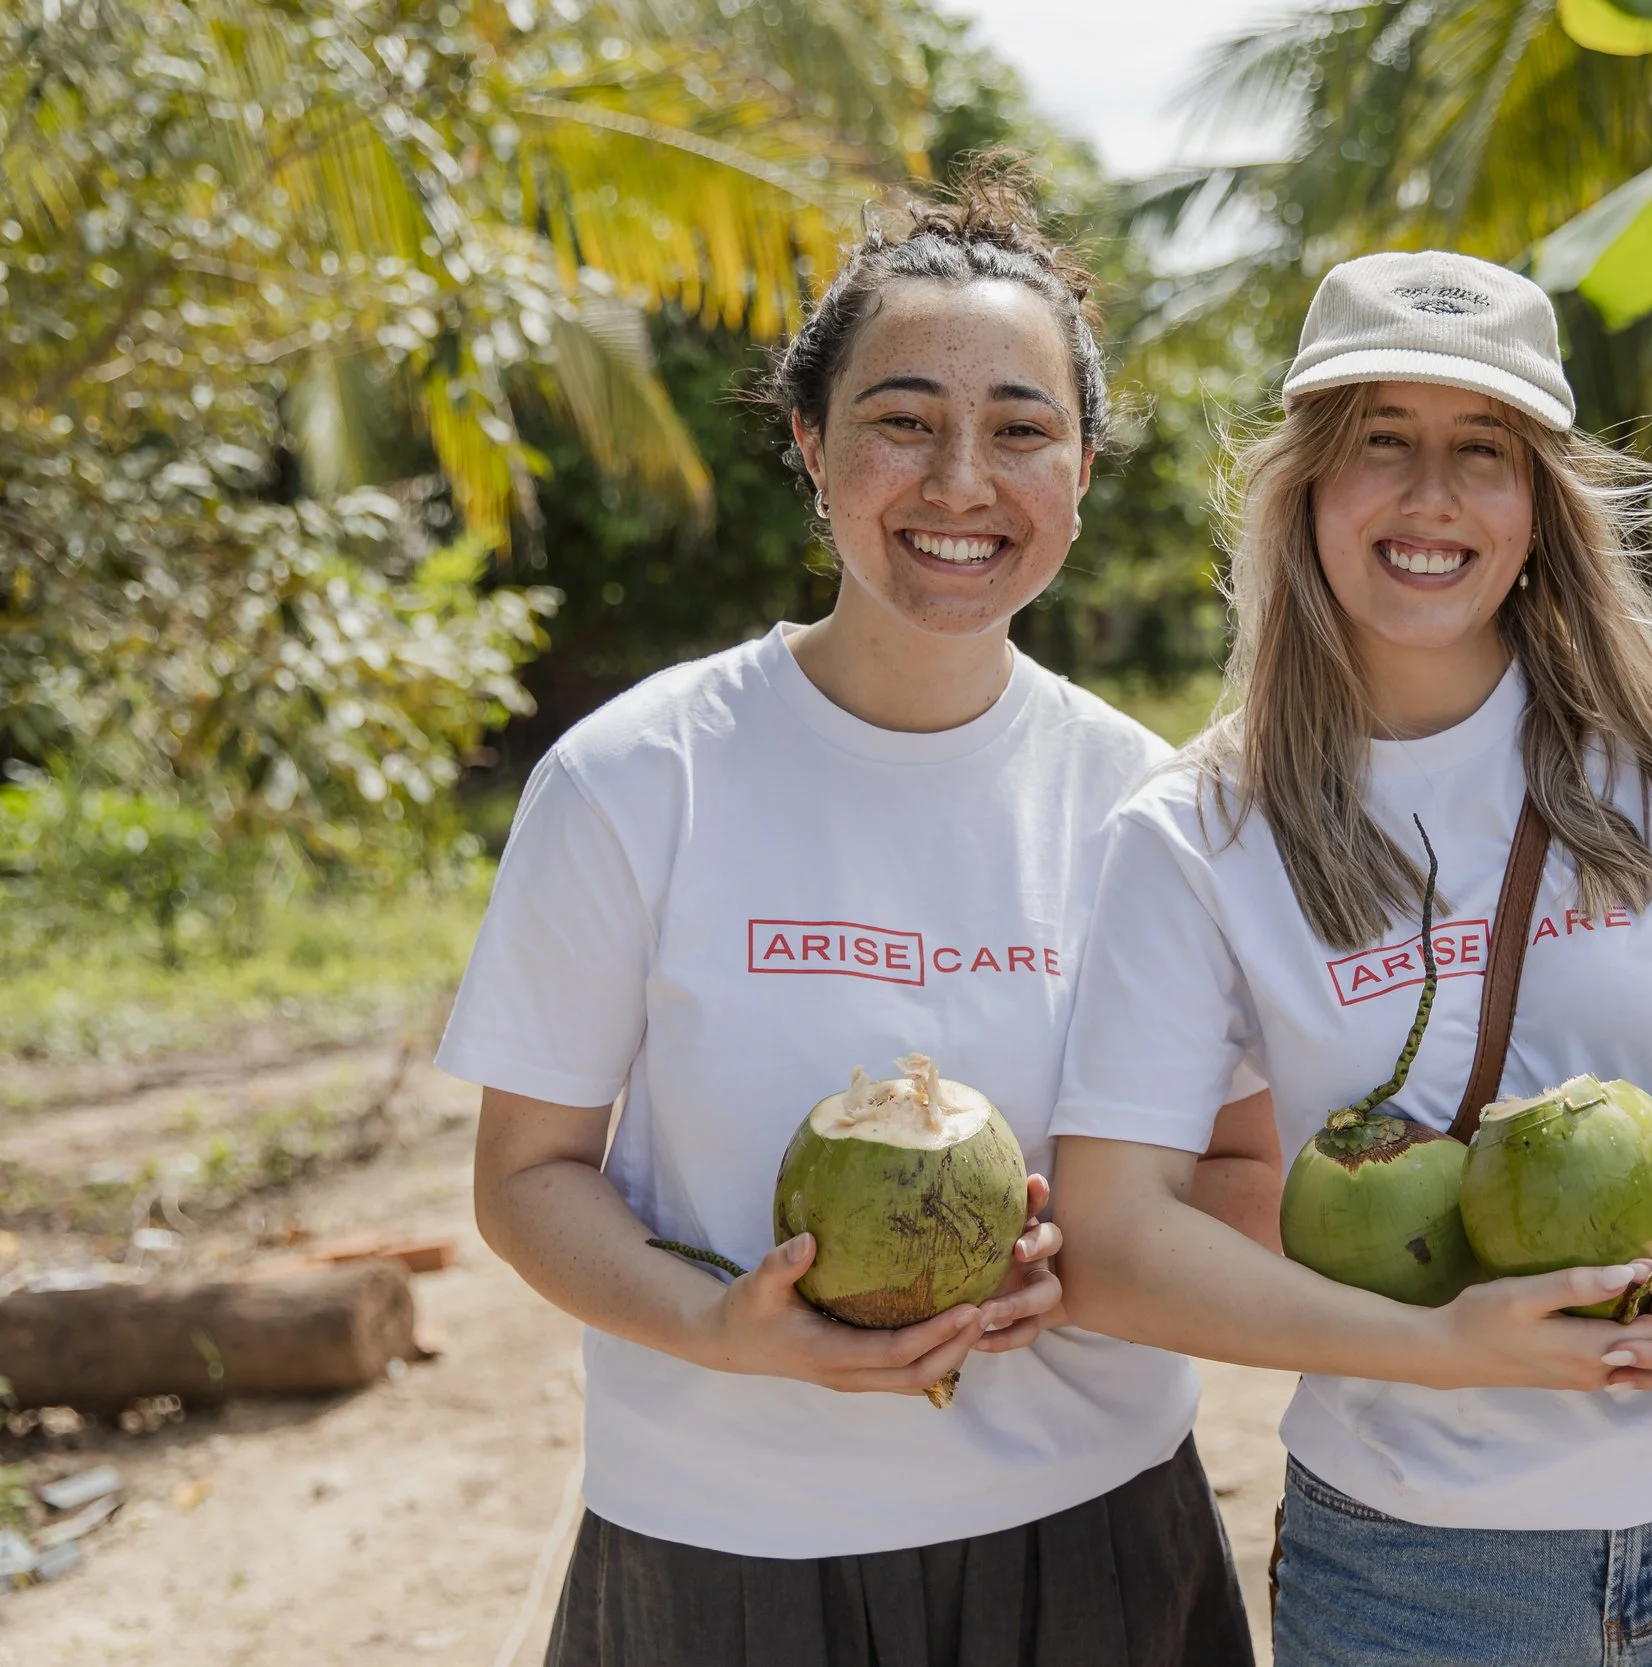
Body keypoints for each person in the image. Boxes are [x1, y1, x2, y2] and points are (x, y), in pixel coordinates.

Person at [1049, 250, 1652, 1666]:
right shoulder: (1197, 833)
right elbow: (1113, 1240)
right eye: (1381, 445)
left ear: (1540, 505)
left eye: (1482, 451)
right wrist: (1446, 1345)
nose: (1430, 498)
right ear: (1304, 490)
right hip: (1427, 1566)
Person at [443, 165, 1265, 1667]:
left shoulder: (1156, 808)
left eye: (1021, 430)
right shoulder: (638, 776)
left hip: (1090, 1540)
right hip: (722, 1549)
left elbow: (1251, 1176)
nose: (962, 482)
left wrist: (1080, 1258)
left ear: (1081, 470)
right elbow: (528, 1177)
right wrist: (716, 1328)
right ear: (813, 448)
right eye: (904, 420)